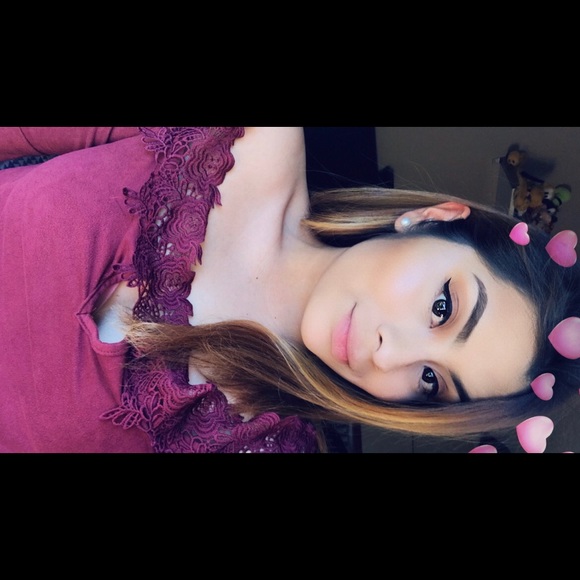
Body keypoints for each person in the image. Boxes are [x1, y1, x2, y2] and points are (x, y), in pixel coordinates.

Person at [0, 127, 578, 453]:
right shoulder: (251, 138)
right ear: (432, 218)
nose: (389, 355)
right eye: (443, 307)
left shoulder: (256, 443)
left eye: (431, 382)